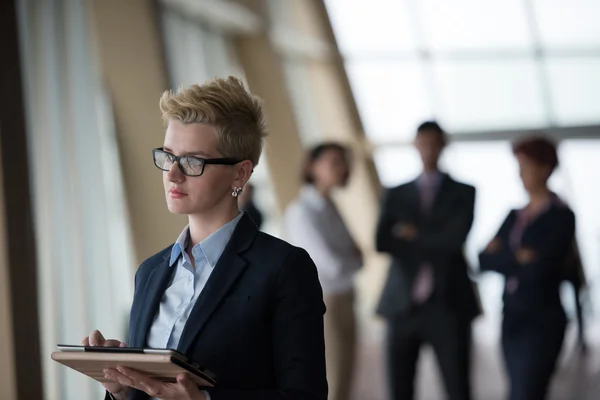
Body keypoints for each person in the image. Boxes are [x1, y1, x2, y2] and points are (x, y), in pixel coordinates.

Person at [81, 77, 328, 400]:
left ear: (240, 173)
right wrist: (122, 389)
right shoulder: (151, 271)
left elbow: (305, 395)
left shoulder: (283, 269)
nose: (172, 173)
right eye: (168, 156)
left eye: (193, 161)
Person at [375, 121, 479, 400]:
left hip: (449, 303)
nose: (430, 150)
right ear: (415, 145)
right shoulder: (396, 193)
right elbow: (382, 242)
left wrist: (411, 233)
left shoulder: (464, 192)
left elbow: (454, 241)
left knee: (458, 387)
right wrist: (434, 236)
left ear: (444, 146)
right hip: (402, 305)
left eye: (436, 143)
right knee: (399, 389)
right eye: (424, 143)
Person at [479, 136, 576, 400]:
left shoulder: (561, 216)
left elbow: (542, 269)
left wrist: (505, 257)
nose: (520, 174)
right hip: (511, 315)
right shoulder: (514, 215)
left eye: (525, 166)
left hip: (542, 320)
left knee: (527, 391)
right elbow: (482, 260)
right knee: (515, 390)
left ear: (544, 168)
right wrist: (518, 257)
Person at [284, 142, 362, 400]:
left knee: (348, 371)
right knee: (333, 376)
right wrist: (351, 259)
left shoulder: (330, 205)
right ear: (312, 166)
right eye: (333, 162)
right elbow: (330, 264)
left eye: (342, 162)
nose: (340, 168)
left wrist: (351, 259)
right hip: (325, 300)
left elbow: (358, 256)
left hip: (345, 294)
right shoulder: (301, 212)